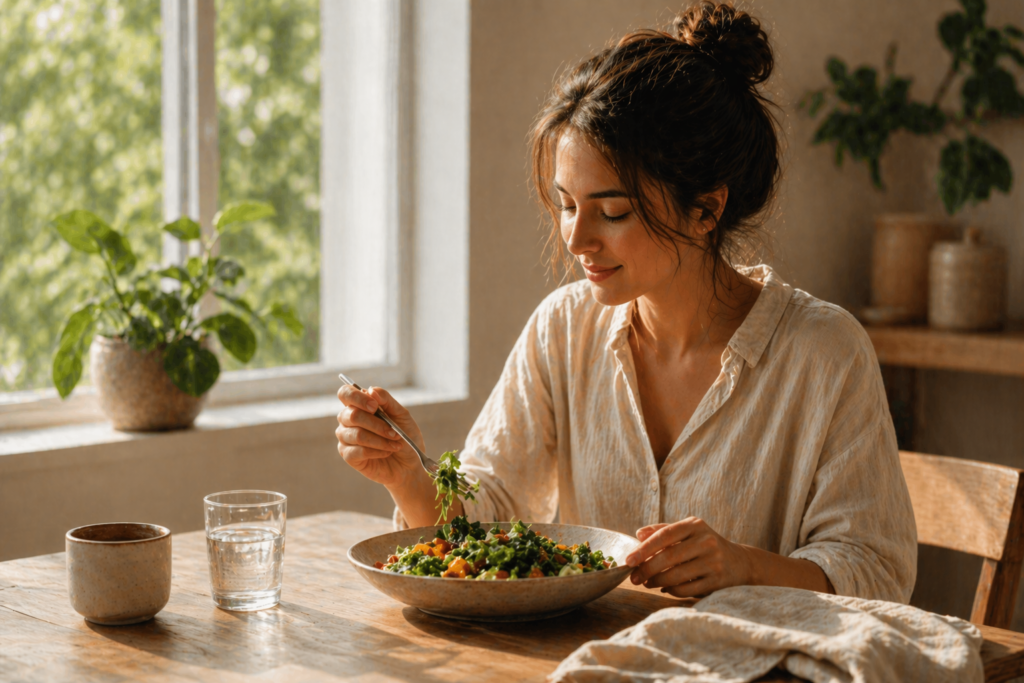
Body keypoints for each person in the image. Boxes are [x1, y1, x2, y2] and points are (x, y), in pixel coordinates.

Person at [336, 1, 917, 603]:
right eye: (567, 205)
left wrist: (742, 566)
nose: (576, 238)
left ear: (706, 210)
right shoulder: (562, 329)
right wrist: (408, 476)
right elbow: (493, 516)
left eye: (612, 212)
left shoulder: (824, 352)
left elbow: (875, 573)